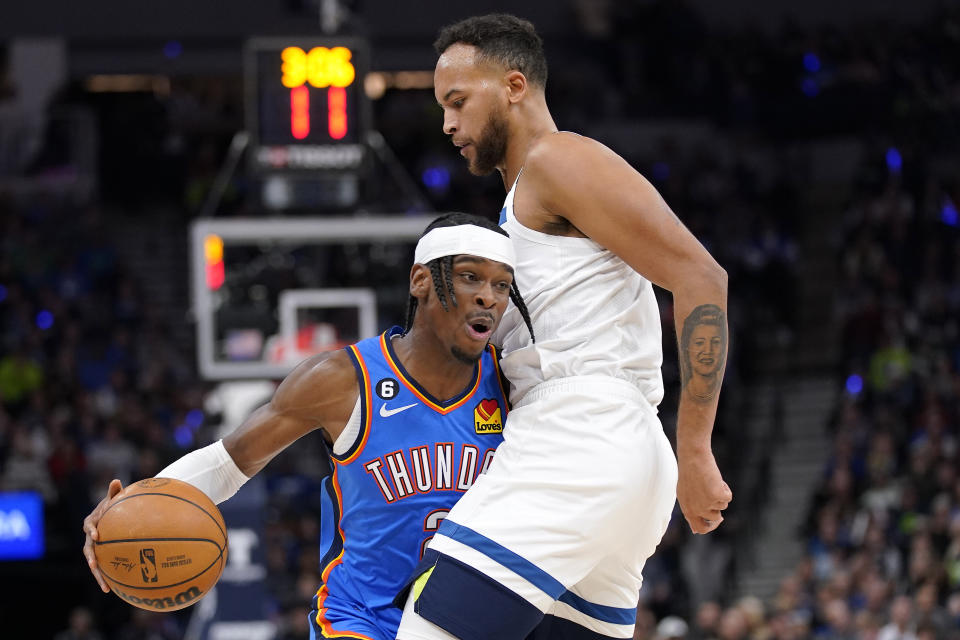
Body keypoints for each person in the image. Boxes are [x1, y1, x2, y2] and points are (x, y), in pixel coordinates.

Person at [396, 14, 733, 640]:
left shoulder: (558, 160)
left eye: (458, 102)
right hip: (608, 454)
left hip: (582, 438)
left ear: (515, 86)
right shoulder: (519, 205)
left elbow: (701, 280)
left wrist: (696, 448)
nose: (447, 124)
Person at [82, 213, 535, 640]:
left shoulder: (516, 384)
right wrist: (127, 509)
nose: (488, 297)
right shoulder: (342, 380)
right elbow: (227, 465)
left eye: (501, 285)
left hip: (466, 621)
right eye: (470, 277)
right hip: (361, 618)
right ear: (420, 280)